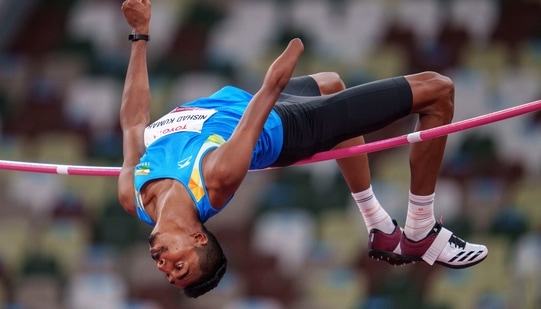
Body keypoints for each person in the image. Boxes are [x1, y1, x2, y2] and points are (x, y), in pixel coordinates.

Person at [118, 0, 488, 299]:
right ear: (197, 238)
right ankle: (421, 230)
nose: (163, 266)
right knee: (438, 90)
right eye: (177, 267)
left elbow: (134, 122)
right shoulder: (215, 178)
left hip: (242, 103)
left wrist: (140, 34)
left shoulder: (132, 194)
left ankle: (378, 225)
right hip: (286, 126)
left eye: (169, 272)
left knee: (331, 83)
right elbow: (264, 101)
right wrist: (292, 48)